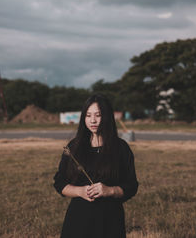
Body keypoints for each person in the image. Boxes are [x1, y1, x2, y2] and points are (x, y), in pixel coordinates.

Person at [53, 94, 138, 238]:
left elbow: (131, 186)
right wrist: (80, 191)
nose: (93, 120)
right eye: (88, 115)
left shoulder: (121, 148)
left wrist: (110, 190)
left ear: (107, 117)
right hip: (78, 221)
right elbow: (59, 182)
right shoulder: (74, 147)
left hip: (110, 221)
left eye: (98, 115)